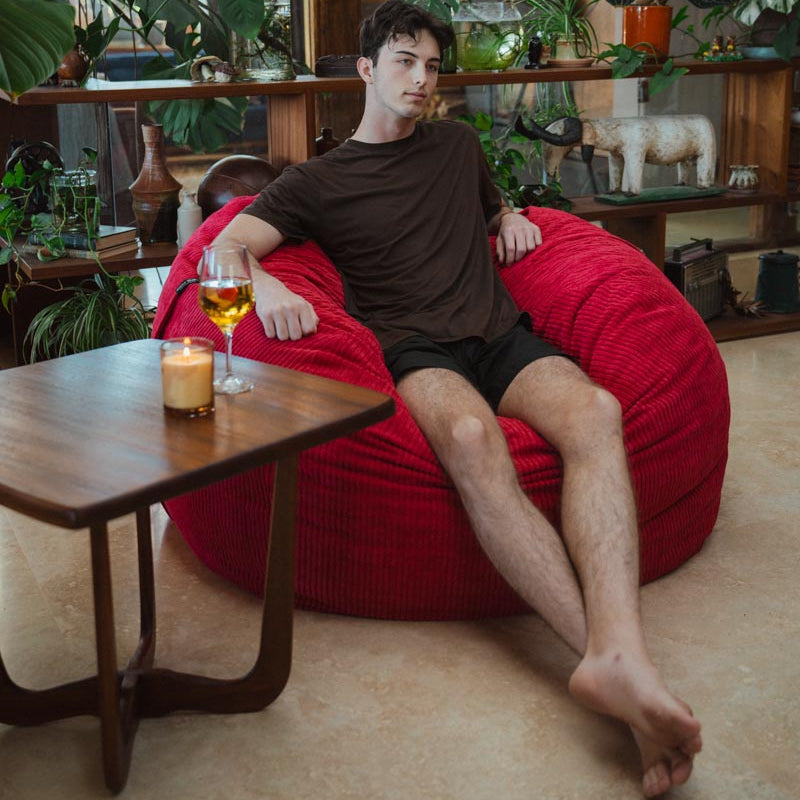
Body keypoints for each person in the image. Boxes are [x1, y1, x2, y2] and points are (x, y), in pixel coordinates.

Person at [207, 1, 702, 794]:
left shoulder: (458, 146)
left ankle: (622, 658)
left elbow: (492, 205)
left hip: (499, 333)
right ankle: (610, 665)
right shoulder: (316, 181)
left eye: (433, 66)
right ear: (366, 69)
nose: (421, 80)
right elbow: (225, 244)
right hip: (416, 350)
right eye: (404, 61)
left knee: (598, 411)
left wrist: (510, 219)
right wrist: (264, 285)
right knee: (472, 437)